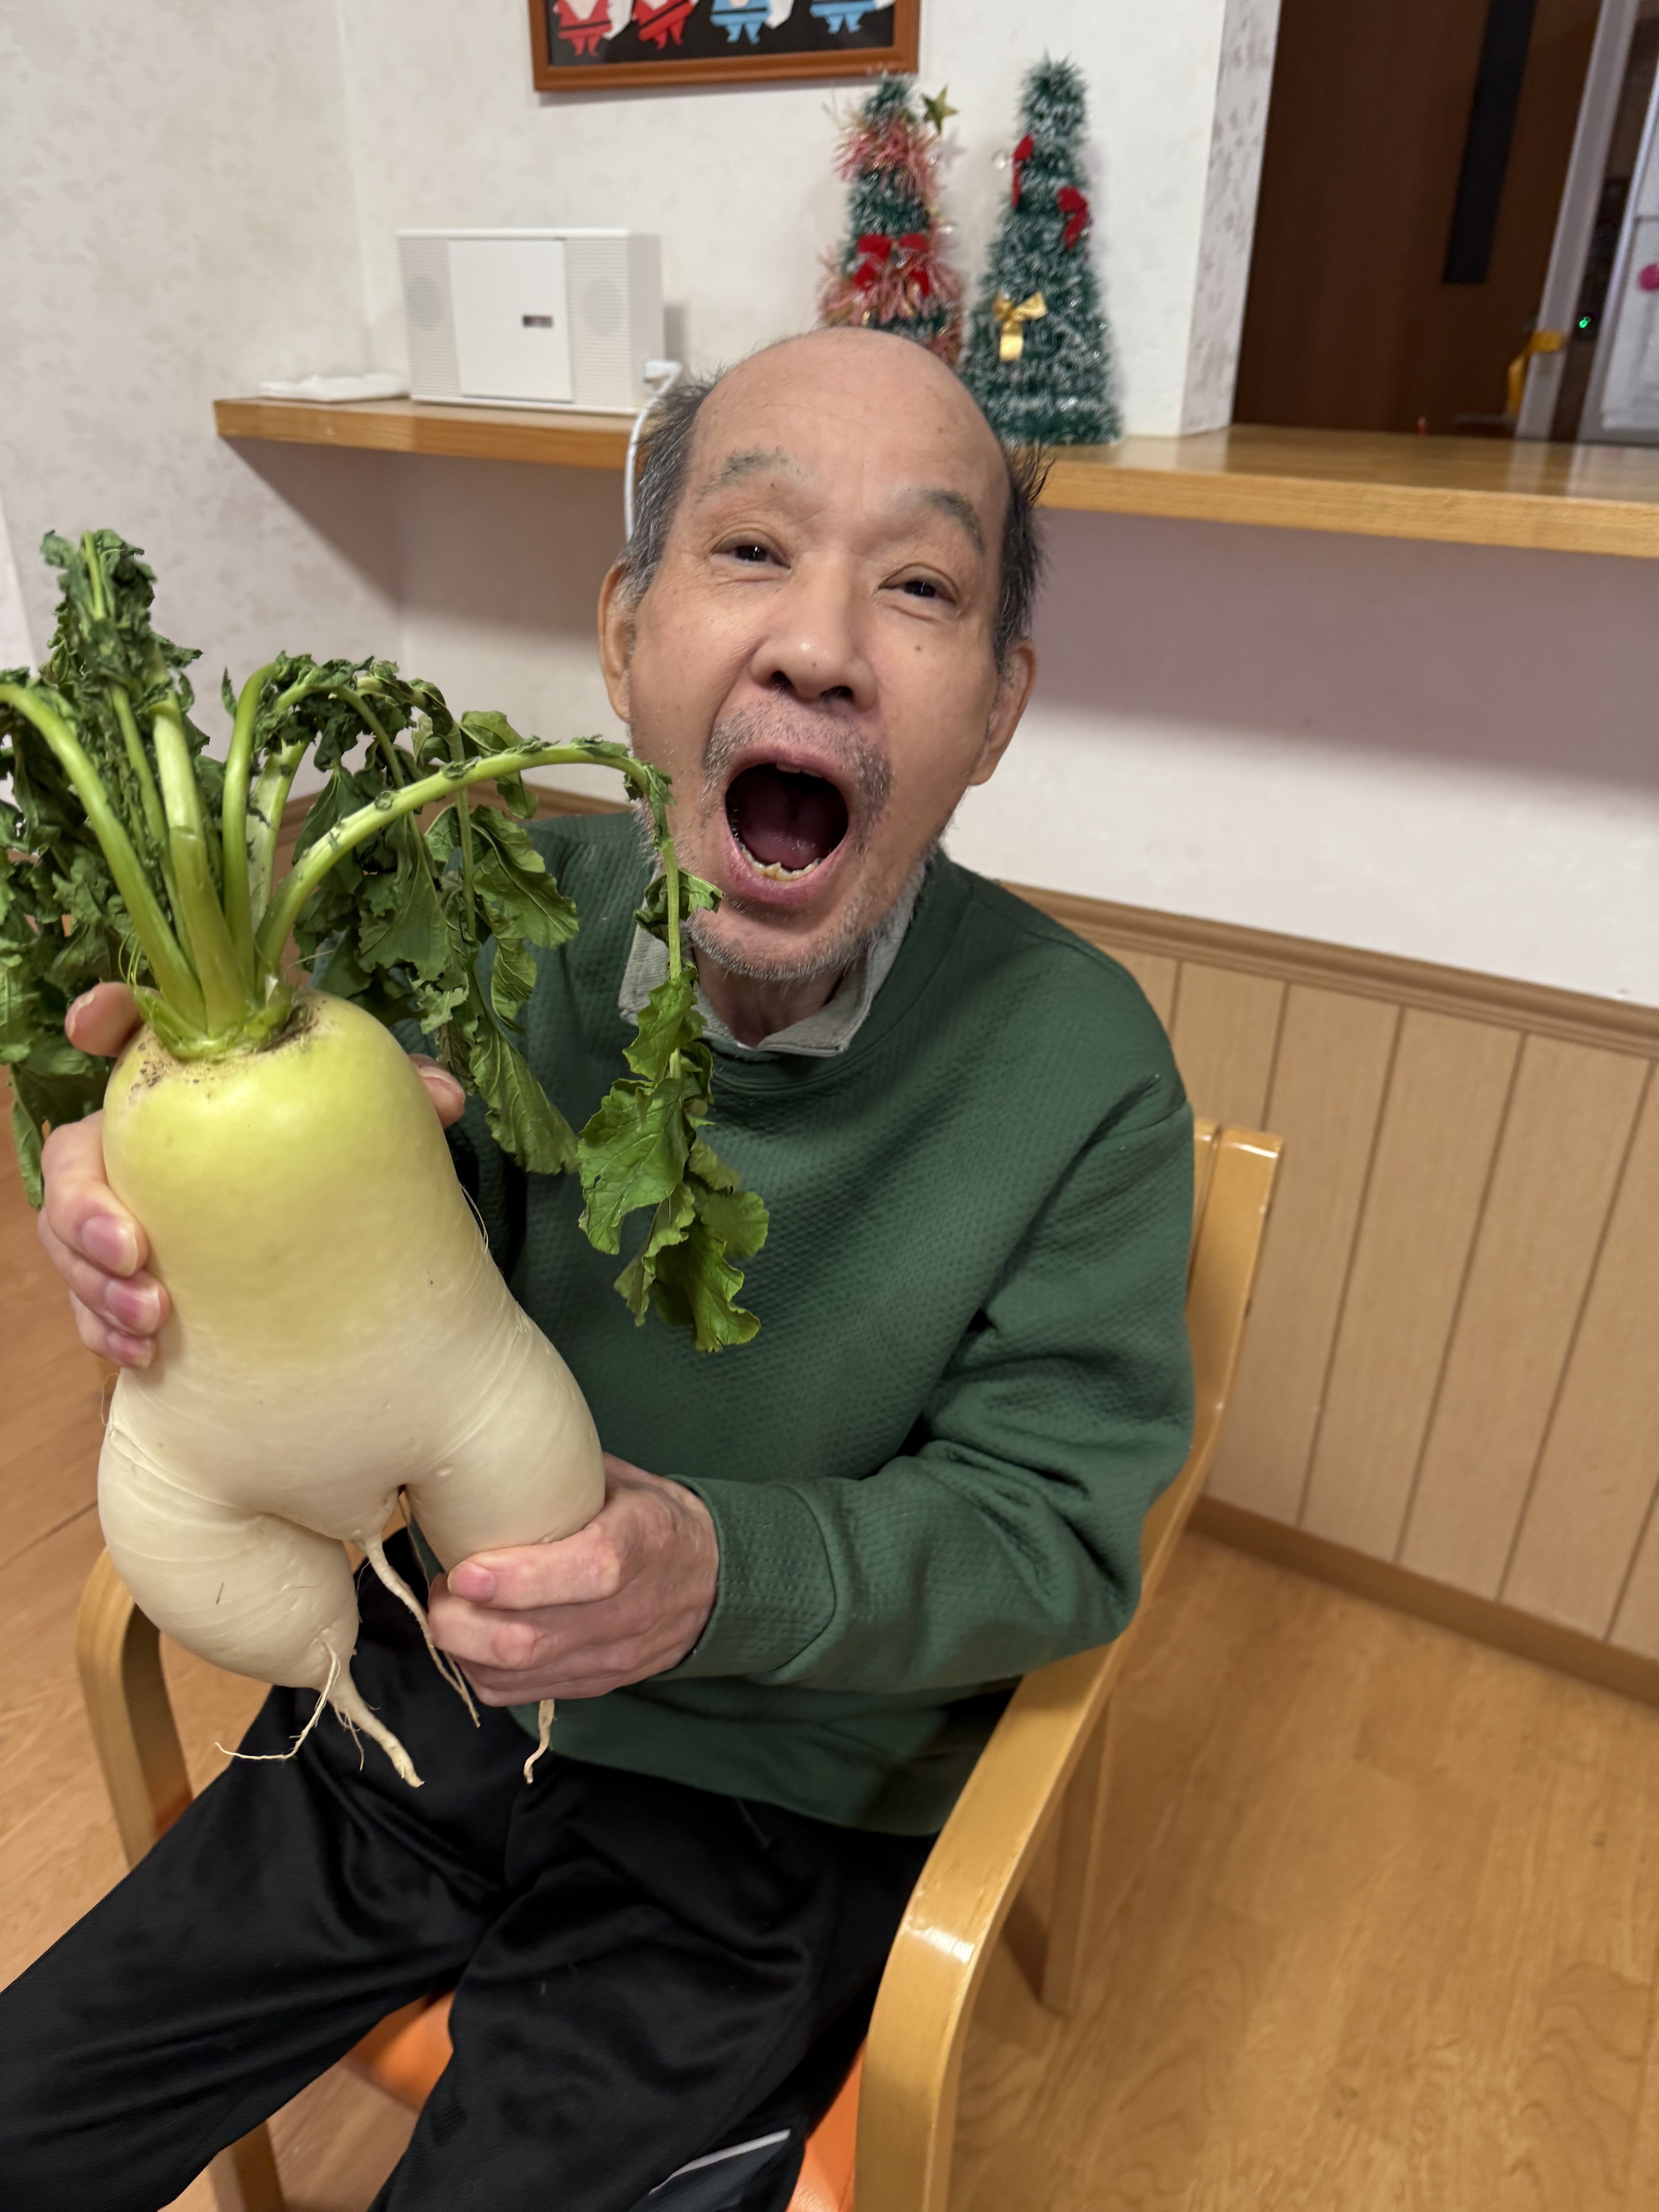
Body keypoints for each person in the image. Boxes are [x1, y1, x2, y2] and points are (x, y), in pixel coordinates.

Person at [1, 328, 1194, 2211]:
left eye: (920, 586)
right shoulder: (487, 932)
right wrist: (180, 1234)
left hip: (772, 1801)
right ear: (626, 638)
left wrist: (713, 1574)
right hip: (417, 1702)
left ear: (998, 709)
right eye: (752, 548)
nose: (821, 645)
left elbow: (1048, 1534)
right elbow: (362, 1356)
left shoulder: (1085, 1070)